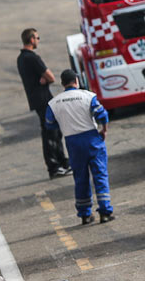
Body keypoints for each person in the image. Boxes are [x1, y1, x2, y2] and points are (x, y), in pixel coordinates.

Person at [45, 69, 113, 225]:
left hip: (72, 142)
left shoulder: (54, 103)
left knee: (80, 178)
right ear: (76, 81)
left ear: (62, 84)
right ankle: (105, 211)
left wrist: (64, 124)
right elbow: (102, 115)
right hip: (92, 139)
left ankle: (84, 214)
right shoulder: (88, 96)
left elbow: (49, 124)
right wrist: (104, 130)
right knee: (100, 175)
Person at [16, 28, 71, 179]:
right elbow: (51, 77)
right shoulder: (32, 58)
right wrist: (45, 78)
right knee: (51, 133)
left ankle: (62, 162)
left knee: (54, 131)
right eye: (37, 38)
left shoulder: (21, 58)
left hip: (37, 99)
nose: (38, 40)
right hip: (43, 99)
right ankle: (55, 166)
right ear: (31, 39)